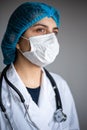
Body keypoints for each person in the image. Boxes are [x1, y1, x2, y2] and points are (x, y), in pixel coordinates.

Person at [0, 2, 80, 130]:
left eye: (54, 32)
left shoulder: (60, 85)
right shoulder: (2, 89)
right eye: (40, 30)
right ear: (16, 39)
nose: (51, 39)